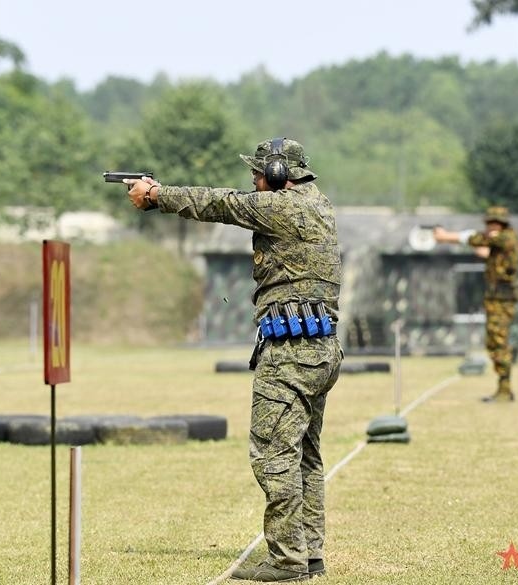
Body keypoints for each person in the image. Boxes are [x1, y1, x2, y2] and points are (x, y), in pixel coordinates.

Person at [125, 138, 343, 582]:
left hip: (290, 355)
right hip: (320, 348)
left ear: (281, 174)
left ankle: (287, 560)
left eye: (259, 174)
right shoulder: (318, 204)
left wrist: (155, 195)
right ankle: (309, 552)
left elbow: (219, 204)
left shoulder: (281, 207)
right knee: (305, 456)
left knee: (272, 455)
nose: (254, 182)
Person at [434, 206, 518, 402]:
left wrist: (446, 237)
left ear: (500, 224)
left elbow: (478, 239)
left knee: (498, 342)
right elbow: (485, 249)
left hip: (502, 300)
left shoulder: (505, 237)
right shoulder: (501, 242)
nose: (489, 228)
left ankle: (505, 390)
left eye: (492, 224)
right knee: (493, 342)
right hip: (496, 299)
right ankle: (503, 388)